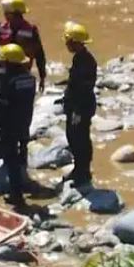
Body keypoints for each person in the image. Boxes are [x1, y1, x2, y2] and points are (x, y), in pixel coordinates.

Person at [0, 44, 36, 207]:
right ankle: (24, 181)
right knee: (21, 152)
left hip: (9, 124)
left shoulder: (9, 81)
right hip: (25, 121)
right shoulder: (30, 79)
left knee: (11, 158)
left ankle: (16, 194)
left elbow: (3, 105)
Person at [58, 21, 97, 188]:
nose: (67, 45)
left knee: (79, 140)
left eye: (68, 41)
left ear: (75, 42)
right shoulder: (80, 58)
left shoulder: (86, 61)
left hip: (81, 107)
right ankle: (79, 169)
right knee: (73, 138)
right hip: (76, 105)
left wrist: (78, 111)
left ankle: (83, 173)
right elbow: (76, 83)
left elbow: (84, 88)